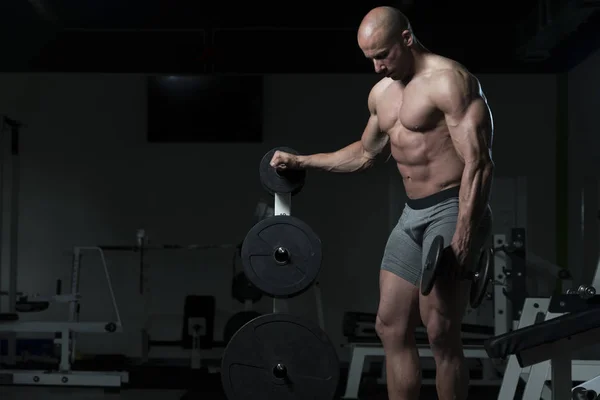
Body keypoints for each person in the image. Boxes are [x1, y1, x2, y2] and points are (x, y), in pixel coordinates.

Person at [270, 6, 494, 400]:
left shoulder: (450, 82)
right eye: (370, 58)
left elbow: (479, 163)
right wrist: (302, 161)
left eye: (383, 54)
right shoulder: (382, 95)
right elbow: (365, 154)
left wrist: (464, 237)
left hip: (452, 206)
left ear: (406, 38)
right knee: (389, 325)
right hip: (413, 214)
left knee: (440, 330)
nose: (376, 67)